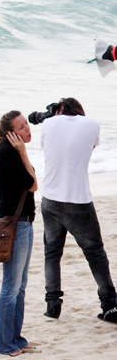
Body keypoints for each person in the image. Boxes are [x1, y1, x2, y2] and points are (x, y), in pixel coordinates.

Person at [40, 97, 117, 323]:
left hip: (50, 200)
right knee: (95, 254)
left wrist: (51, 116)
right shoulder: (92, 124)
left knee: (52, 254)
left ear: (60, 110)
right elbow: (90, 146)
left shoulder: (48, 124)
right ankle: (110, 305)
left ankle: (52, 306)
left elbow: (50, 147)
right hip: (79, 202)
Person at [0, 111, 39, 356]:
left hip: (23, 222)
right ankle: (3, 344)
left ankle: (15, 338)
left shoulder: (9, 151)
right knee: (11, 286)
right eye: (22, 127)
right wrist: (23, 152)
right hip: (15, 225)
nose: (28, 129)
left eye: (27, 124)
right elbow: (33, 184)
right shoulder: (9, 153)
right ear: (11, 133)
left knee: (19, 286)